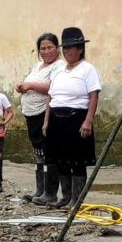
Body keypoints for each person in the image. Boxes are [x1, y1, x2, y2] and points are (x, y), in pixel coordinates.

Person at [44, 27, 101, 209]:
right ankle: (66, 197)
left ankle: (77, 200)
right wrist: (46, 121)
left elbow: (94, 96)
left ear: (80, 49)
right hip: (56, 118)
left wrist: (88, 121)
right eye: (65, 48)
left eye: (71, 47)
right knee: (59, 159)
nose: (67, 51)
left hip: (76, 118)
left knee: (77, 161)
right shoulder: (59, 70)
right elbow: (51, 97)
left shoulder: (87, 69)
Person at [15, 33, 65, 205]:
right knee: (38, 152)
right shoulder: (38, 66)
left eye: (50, 47)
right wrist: (23, 87)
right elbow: (31, 83)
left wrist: (30, 85)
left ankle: (50, 193)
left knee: (48, 152)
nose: (46, 51)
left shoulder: (59, 66)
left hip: (46, 113)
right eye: (42, 48)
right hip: (32, 115)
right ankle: (40, 190)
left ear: (57, 48)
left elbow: (54, 87)